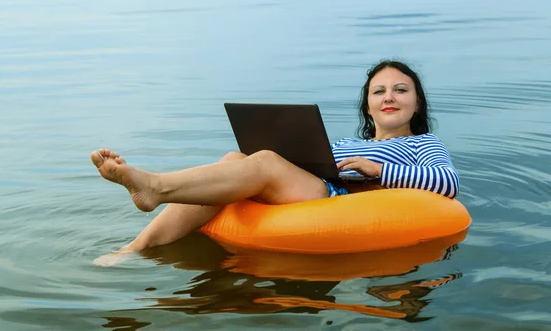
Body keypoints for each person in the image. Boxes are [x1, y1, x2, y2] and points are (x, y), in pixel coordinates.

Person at [91, 60, 460, 265]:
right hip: (318, 185)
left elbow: (447, 183)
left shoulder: (423, 143)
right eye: (378, 91)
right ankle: (132, 249)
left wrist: (376, 169)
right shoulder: (348, 142)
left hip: (342, 201)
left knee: (265, 160)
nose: (389, 97)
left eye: (401, 90)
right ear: (368, 105)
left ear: (417, 102)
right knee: (236, 158)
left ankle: (155, 187)